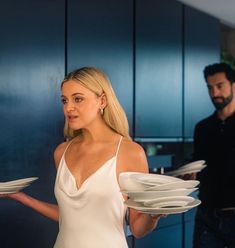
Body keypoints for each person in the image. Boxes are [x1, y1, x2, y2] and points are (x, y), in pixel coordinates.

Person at [0, 67, 162, 247]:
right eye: (64, 100)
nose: (68, 107)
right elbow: (71, 216)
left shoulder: (129, 152)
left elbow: (138, 228)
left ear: (102, 101)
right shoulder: (62, 151)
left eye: (78, 99)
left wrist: (153, 215)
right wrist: (22, 198)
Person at [192, 62, 235, 248]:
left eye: (219, 86)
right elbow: (198, 165)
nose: (214, 93)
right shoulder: (202, 128)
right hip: (207, 218)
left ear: (233, 85)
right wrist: (190, 175)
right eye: (210, 87)